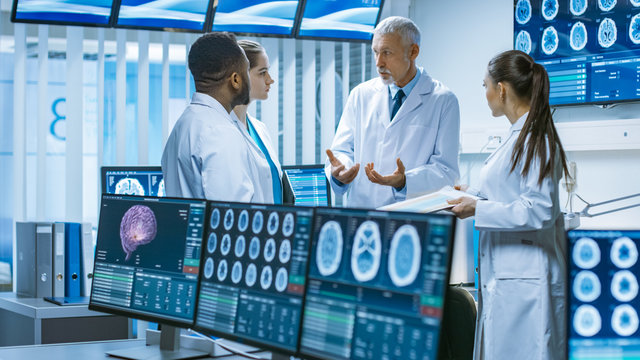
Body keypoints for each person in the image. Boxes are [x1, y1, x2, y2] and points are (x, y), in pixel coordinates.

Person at [447, 50, 569, 360]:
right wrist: (473, 193)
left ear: (501, 89)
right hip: (509, 279)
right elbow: (509, 194)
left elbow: (539, 209)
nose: (485, 93)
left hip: (527, 283)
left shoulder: (536, 138)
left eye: (485, 85)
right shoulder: (517, 136)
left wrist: (478, 208)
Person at [325, 16, 460, 208]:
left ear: (413, 52)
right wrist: (340, 171)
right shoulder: (360, 95)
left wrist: (405, 181)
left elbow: (447, 171)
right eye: (375, 52)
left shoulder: (443, 100)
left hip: (411, 216)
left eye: (387, 53)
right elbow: (342, 151)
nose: (379, 62)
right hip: (364, 212)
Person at [161, 32, 273, 203]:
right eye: (246, 71)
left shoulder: (183, 125)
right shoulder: (221, 133)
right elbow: (234, 218)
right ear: (235, 80)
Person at [231, 40, 283, 204]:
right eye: (262, 73)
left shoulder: (260, 129)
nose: (270, 80)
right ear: (238, 76)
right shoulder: (223, 131)